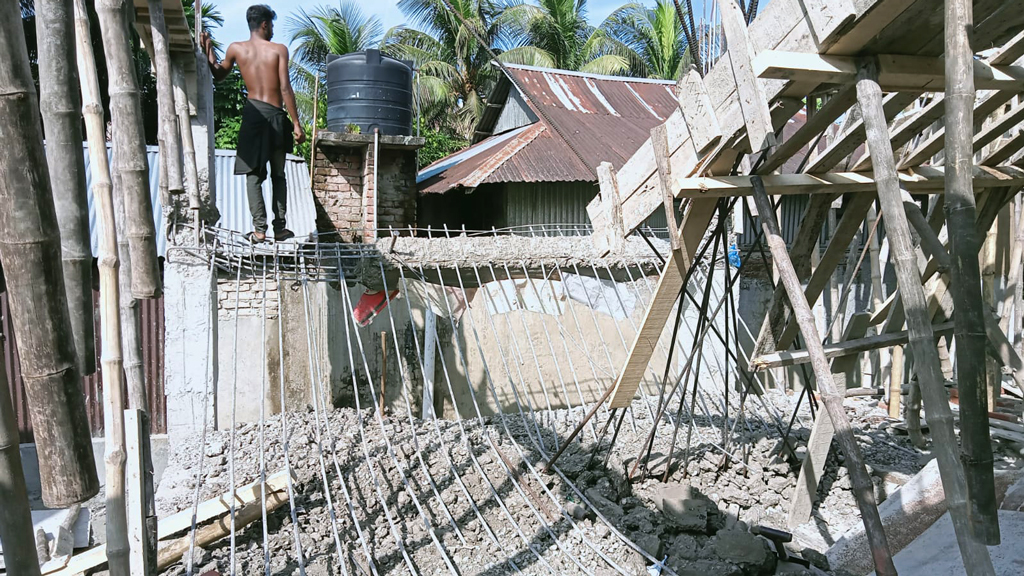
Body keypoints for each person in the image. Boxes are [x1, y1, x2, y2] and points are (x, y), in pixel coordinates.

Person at [201, 4, 306, 243]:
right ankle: (279, 228)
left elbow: (219, 74)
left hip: (253, 116)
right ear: (265, 24)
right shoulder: (279, 50)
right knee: (278, 174)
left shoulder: (236, 49)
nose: (272, 31)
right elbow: (284, 88)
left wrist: (209, 54)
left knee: (253, 176)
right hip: (276, 117)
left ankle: (259, 230)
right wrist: (296, 123)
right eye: (272, 26)